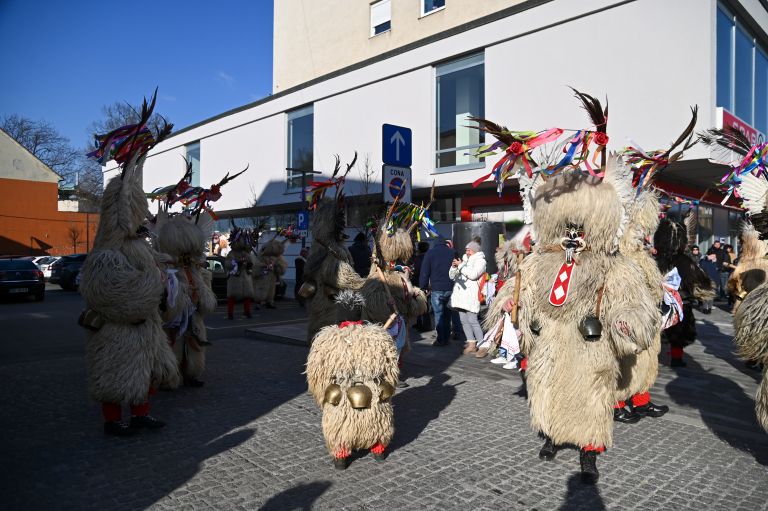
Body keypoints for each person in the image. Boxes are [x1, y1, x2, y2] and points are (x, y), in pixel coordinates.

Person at [449, 241, 486, 353]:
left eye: (469, 250)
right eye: (466, 250)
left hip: (471, 296)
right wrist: (454, 268)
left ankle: (482, 345)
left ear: (475, 250)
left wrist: (461, 266)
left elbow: (473, 275)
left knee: (473, 320)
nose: (467, 252)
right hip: (461, 297)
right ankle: (471, 343)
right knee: (464, 321)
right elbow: (451, 277)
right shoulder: (464, 260)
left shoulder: (481, 261)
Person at [419, 236, 455, 346]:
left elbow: (425, 271)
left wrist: (423, 286)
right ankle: (447, 338)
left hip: (436, 288)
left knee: (438, 314)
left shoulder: (430, 253)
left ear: (435, 243)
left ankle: (441, 339)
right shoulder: (453, 252)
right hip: (450, 287)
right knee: (448, 314)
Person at [411, 242, 431, 331]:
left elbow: (417, 271)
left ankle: (425, 325)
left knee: (422, 303)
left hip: (419, 283)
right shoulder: (429, 257)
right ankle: (421, 323)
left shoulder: (419, 258)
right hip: (427, 283)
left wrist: (412, 272)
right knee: (424, 304)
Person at [696, 246, 718, 314]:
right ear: (710, 255)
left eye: (715, 256)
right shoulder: (703, 261)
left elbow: (716, 272)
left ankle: (710, 308)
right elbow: (701, 270)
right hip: (705, 280)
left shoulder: (714, 262)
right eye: (713, 255)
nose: (714, 257)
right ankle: (705, 308)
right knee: (705, 295)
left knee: (711, 295)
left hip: (713, 280)